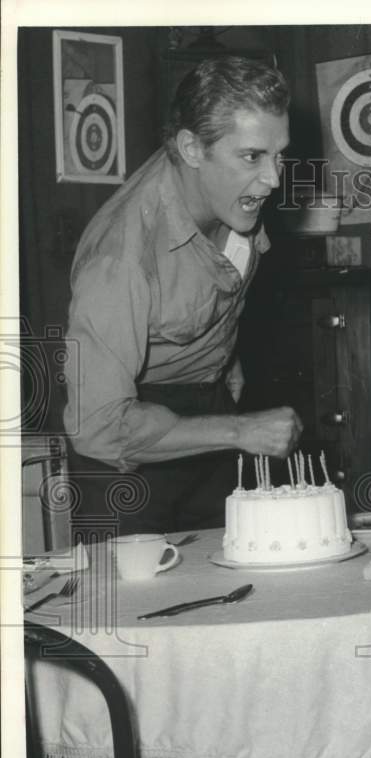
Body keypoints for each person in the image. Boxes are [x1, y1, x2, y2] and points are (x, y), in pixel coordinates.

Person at [63, 56, 302, 535]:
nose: (274, 178)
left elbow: (213, 284)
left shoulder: (228, 189)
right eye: (253, 156)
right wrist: (240, 430)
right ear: (191, 148)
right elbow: (98, 426)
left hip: (207, 417)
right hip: (124, 448)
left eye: (279, 155)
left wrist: (223, 361)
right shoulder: (119, 258)